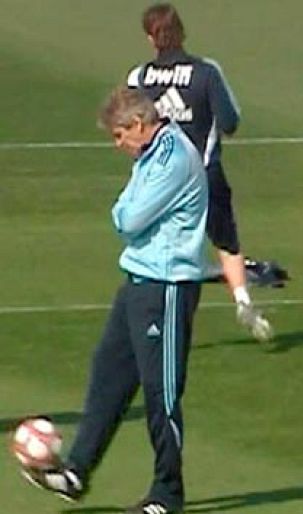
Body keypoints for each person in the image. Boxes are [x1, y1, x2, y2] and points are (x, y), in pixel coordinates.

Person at [21, 88, 208, 514]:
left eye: (120, 134)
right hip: (138, 283)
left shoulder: (172, 159)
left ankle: (167, 493)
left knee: (161, 394)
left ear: (140, 125)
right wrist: (125, 211)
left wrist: (124, 212)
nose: (117, 143)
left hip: (166, 287)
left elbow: (129, 218)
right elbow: (126, 212)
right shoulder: (150, 154)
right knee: (108, 373)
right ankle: (77, 471)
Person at [127, 3, 272, 342]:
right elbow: (231, 122)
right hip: (204, 173)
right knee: (226, 241)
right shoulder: (206, 72)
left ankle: (158, 318)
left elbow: (130, 127)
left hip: (159, 181)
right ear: (182, 33)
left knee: (162, 248)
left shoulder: (139, 77)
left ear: (151, 38)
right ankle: (242, 300)